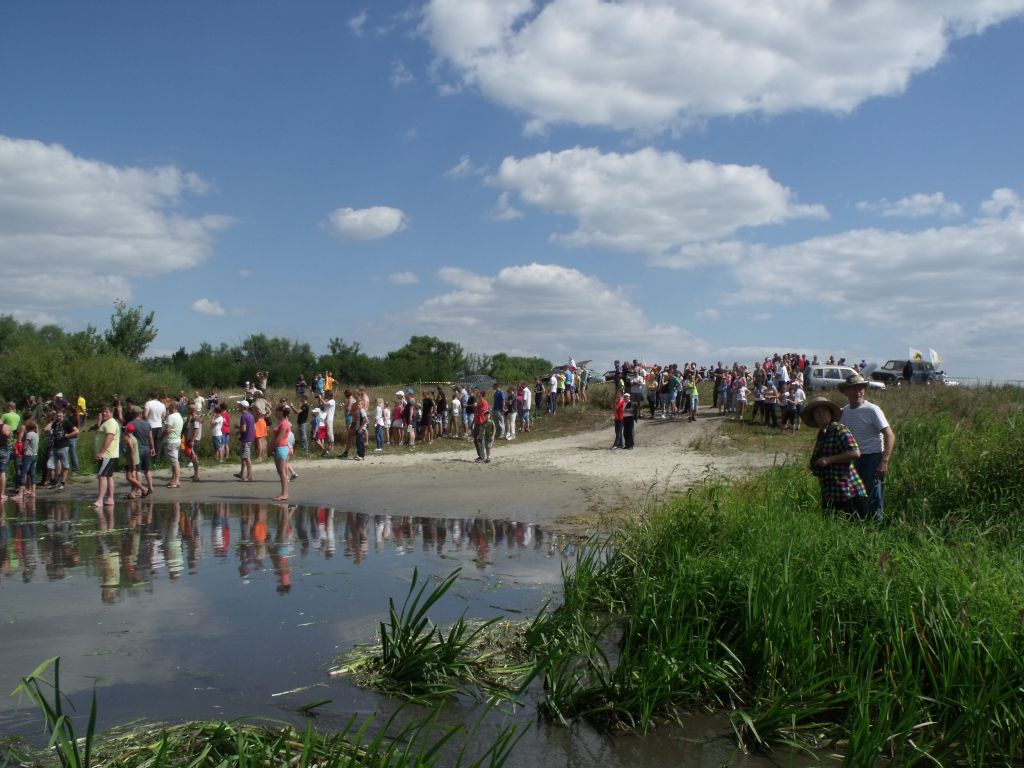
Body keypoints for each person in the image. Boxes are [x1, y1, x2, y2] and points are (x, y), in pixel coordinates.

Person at [839, 374, 895, 519]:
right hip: (852, 459)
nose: (858, 392)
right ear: (846, 391)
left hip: (871, 457)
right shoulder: (844, 412)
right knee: (854, 495)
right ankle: (857, 523)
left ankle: (875, 526)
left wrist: (884, 461)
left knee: (872, 495)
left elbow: (889, 434)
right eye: (853, 388)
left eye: (861, 388)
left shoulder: (872, 410)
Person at [805, 397, 868, 518]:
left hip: (848, 492)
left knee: (851, 526)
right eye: (817, 412)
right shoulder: (822, 434)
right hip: (832, 492)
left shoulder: (839, 430)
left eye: (824, 411)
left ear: (830, 414)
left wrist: (829, 460)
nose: (820, 415)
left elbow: (855, 453)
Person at [93, 403, 120, 508]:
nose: (104, 413)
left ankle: (100, 500)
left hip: (107, 454)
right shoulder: (107, 422)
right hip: (108, 454)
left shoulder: (111, 423)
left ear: (111, 412)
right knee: (109, 476)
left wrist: (100, 452)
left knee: (102, 476)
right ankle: (110, 498)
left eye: (106, 411)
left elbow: (110, 438)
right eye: (103, 411)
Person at [272, 405, 292, 500]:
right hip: (280, 448)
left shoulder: (284, 424)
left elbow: (279, 438)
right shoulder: (282, 423)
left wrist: (271, 448)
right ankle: (284, 493)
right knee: (281, 472)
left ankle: (284, 494)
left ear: (281, 412)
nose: (275, 413)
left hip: (281, 448)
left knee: (282, 472)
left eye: (277, 411)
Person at [234, 400, 255, 482]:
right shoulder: (251, 416)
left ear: (243, 407)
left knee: (246, 458)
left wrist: (238, 428)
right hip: (249, 438)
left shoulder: (243, 416)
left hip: (245, 439)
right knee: (243, 457)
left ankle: (249, 476)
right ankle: (241, 473)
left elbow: (243, 429)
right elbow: (253, 427)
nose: (238, 407)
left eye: (239, 405)